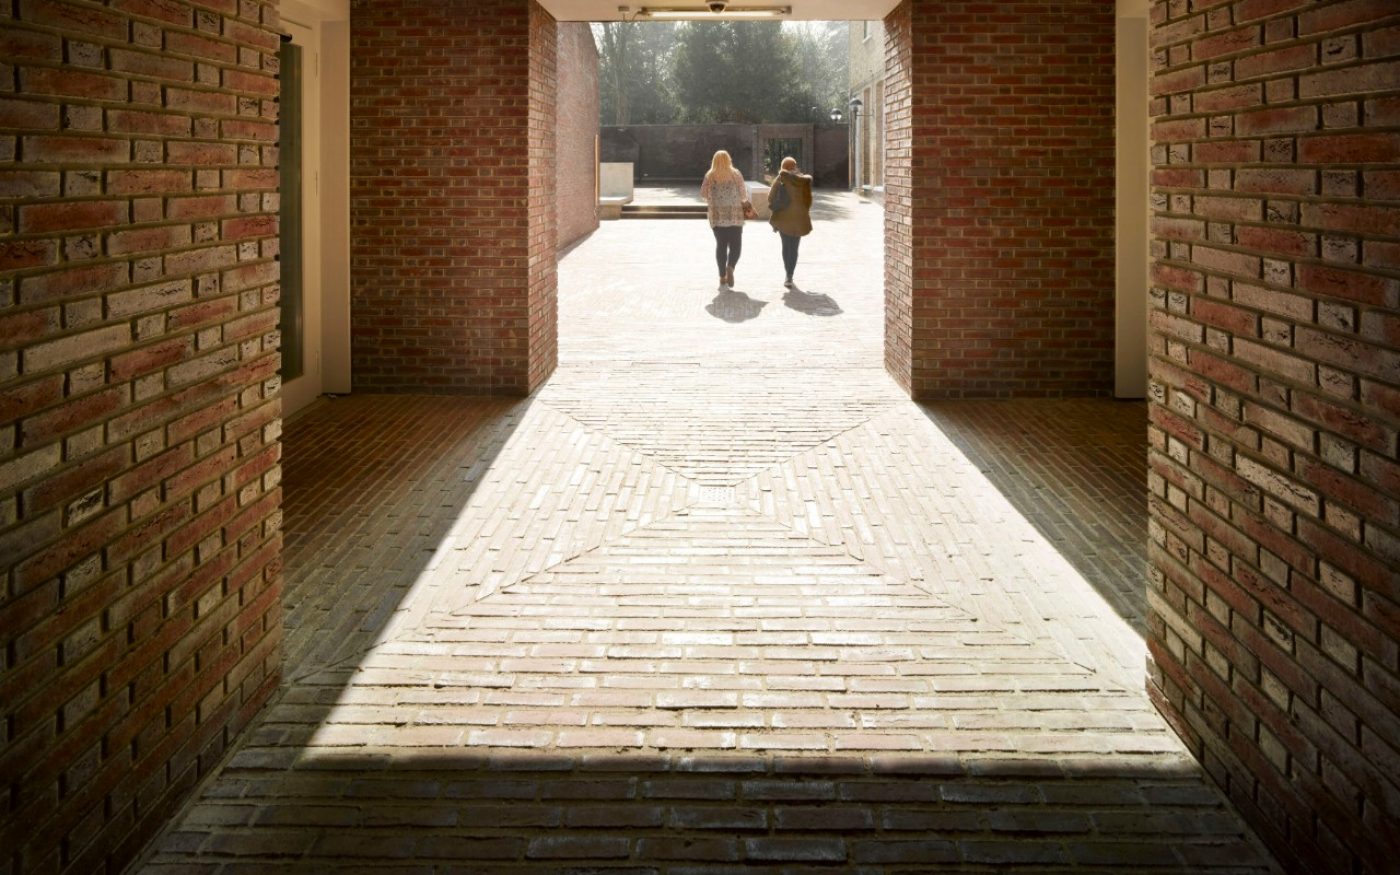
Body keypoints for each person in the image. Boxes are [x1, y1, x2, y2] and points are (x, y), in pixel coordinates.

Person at [699, 150, 753, 288]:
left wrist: (714, 194)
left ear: (714, 160)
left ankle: (722, 276)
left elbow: (703, 194)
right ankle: (731, 267)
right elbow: (743, 194)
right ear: (729, 159)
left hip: (717, 216)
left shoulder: (709, 175)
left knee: (721, 246)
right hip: (734, 215)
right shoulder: (736, 173)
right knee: (736, 246)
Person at [767, 156, 813, 288]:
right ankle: (790, 275)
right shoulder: (804, 180)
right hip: (799, 218)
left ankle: (787, 275)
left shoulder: (780, 179)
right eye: (796, 165)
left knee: (786, 246)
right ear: (793, 167)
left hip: (783, 218)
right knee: (794, 248)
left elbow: (770, 198)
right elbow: (808, 201)